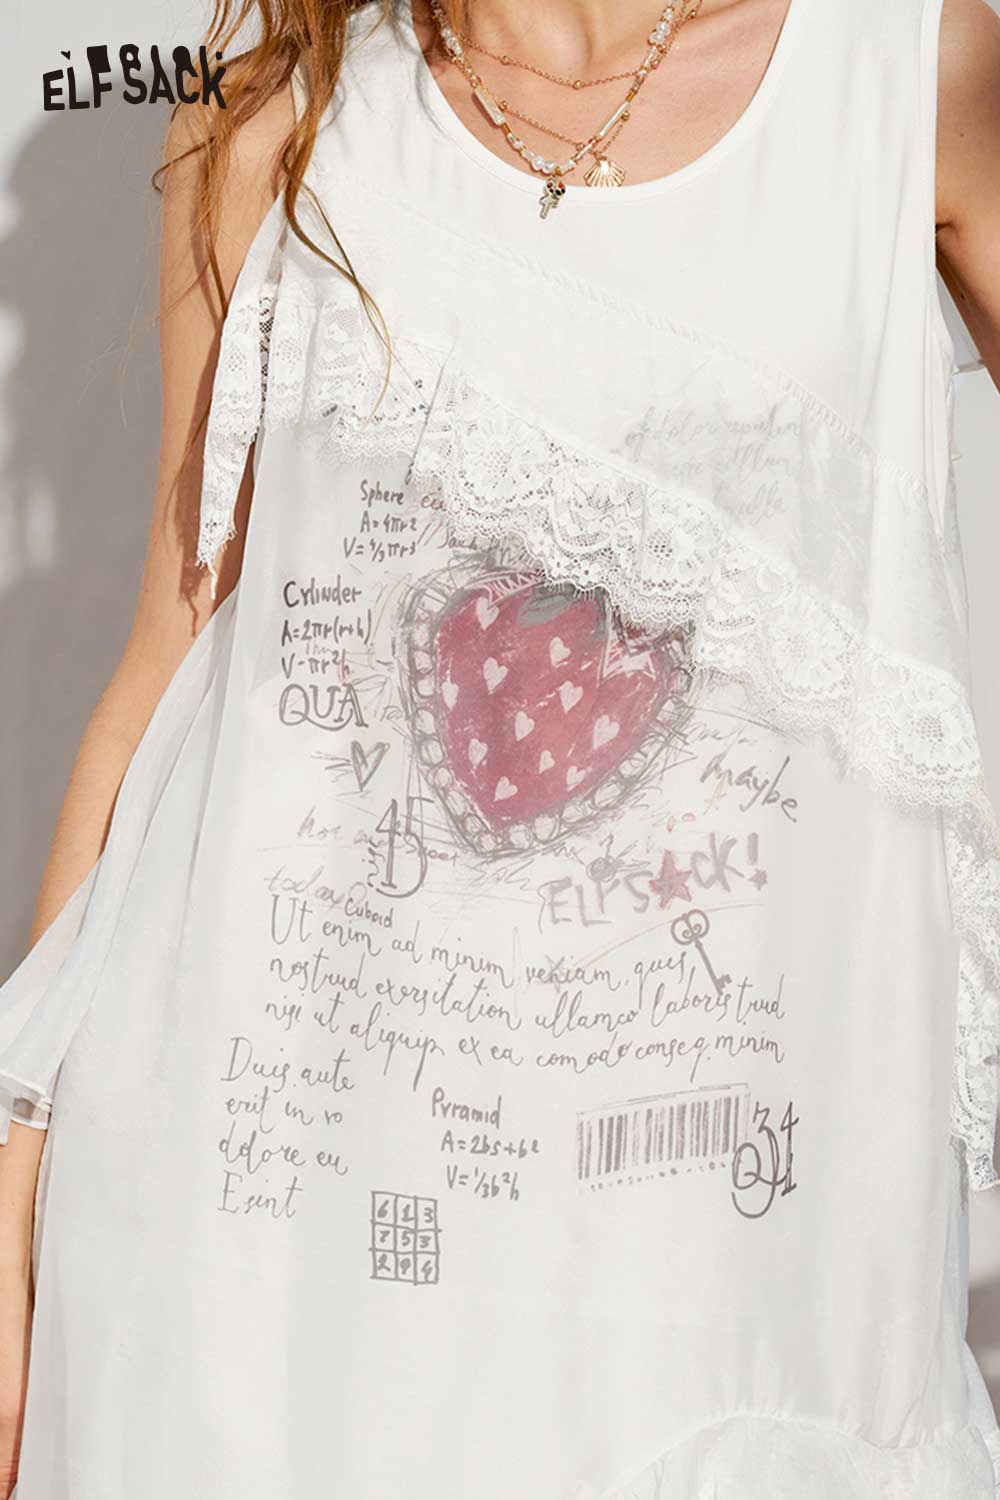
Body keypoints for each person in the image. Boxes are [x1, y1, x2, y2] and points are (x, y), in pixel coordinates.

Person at [2, 0, 1000, 1494]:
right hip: (267, 1268)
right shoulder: (276, 111)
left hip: (727, 1269)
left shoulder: (907, 70)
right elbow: (170, 657)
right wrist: (12, 1173)